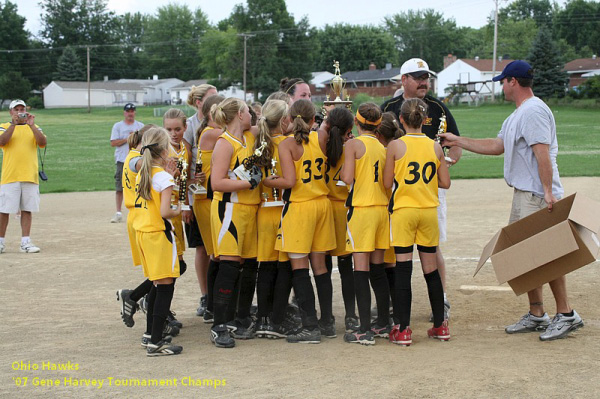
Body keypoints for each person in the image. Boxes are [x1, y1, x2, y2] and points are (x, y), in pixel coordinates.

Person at [439, 60, 583, 341]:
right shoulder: (519, 114)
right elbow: (497, 146)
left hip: (537, 195)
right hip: (524, 194)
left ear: (513, 82)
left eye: (503, 82)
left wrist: (548, 192)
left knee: (547, 256)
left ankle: (566, 313)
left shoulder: (534, 112)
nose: (502, 86)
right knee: (524, 256)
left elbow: (542, 154)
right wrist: (457, 140)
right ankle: (537, 313)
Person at [381, 58, 460, 319]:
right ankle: (395, 301)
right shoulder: (390, 107)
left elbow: (455, 145)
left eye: (425, 76)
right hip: (402, 191)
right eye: (417, 76)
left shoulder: (438, 107)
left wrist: (447, 161)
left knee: (428, 249)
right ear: (403, 80)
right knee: (402, 250)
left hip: (425, 191)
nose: (423, 81)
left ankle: (441, 301)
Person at [265, 99, 336, 344]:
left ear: (288, 120)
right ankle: (327, 322)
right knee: (321, 267)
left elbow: (289, 182)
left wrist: (267, 181)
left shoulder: (287, 144)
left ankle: (310, 326)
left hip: (300, 208)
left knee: (299, 268)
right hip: (322, 204)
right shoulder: (320, 137)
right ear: (312, 120)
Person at [384, 98, 451, 346]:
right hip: (428, 211)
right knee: (430, 270)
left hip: (404, 211)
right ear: (424, 120)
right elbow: (445, 182)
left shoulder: (395, 146)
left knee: (403, 269)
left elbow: (386, 183)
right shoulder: (434, 147)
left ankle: (403, 329)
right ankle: (440, 326)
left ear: (401, 119)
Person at [209, 98, 262, 348]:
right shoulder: (224, 143)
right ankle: (219, 323)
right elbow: (217, 183)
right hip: (229, 209)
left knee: (250, 266)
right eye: (248, 111)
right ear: (240, 115)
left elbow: (270, 122)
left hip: (250, 210)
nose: (252, 114)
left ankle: (240, 317)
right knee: (229, 266)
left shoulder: (249, 136)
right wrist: (247, 183)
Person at [340, 103, 391, 345]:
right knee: (378, 269)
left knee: (360, 269)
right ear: (378, 125)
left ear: (356, 123)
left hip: (361, 210)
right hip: (382, 210)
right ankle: (382, 322)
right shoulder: (382, 147)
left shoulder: (353, 144)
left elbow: (347, 178)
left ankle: (364, 329)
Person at [133, 127, 183, 356]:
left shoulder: (144, 171)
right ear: (164, 150)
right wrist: (178, 209)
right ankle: (156, 341)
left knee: (155, 283)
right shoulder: (163, 176)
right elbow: (165, 211)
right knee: (165, 286)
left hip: (144, 232)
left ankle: (150, 334)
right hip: (159, 233)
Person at [322, 107, 359, 334]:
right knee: (347, 269)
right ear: (349, 129)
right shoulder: (350, 150)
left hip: (325, 212)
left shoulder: (320, 147)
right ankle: (351, 316)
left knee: (323, 269)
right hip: (344, 212)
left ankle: (326, 320)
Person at [182, 84, 217, 317]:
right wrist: (186, 201)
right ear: (198, 103)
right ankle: (206, 296)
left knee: (218, 248)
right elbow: (185, 166)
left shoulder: (222, 121)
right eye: (211, 98)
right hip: (199, 196)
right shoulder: (190, 127)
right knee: (203, 248)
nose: (217, 101)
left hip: (218, 193)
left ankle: (218, 296)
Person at [0, 99, 47, 254]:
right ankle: (1, 242)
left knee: (27, 209)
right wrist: (13, 124)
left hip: (29, 175)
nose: (20, 112)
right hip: (10, 175)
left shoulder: (34, 128)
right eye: (16, 109)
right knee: (4, 210)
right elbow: (2, 141)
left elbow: (42, 143)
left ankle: (25, 242)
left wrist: (32, 125)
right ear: (11, 112)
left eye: (22, 109)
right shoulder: (5, 127)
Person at [194, 95, 225, 322]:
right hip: (205, 199)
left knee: (218, 252)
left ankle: (214, 304)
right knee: (216, 253)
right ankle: (212, 305)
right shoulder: (211, 132)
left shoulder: (211, 132)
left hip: (210, 197)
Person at [110, 103, 144, 223]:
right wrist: (128, 139)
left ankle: (139, 210)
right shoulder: (118, 126)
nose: (130, 113)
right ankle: (118, 212)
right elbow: (113, 142)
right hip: (122, 160)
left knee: (139, 185)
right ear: (124, 113)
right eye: (128, 111)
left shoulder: (140, 126)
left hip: (137, 160)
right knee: (120, 187)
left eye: (132, 111)